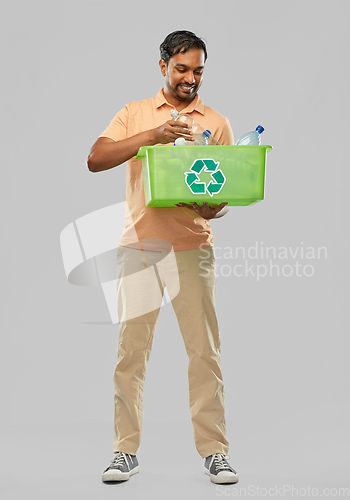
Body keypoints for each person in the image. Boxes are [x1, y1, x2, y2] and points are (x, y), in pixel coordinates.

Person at [87, 30, 239, 485]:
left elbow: (224, 192)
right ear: (162, 67)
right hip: (140, 248)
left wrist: (212, 206)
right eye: (182, 69)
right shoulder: (134, 113)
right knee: (131, 354)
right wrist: (156, 133)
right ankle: (123, 451)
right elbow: (96, 158)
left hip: (194, 249)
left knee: (205, 354)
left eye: (198, 71)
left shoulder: (216, 122)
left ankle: (215, 452)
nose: (191, 78)